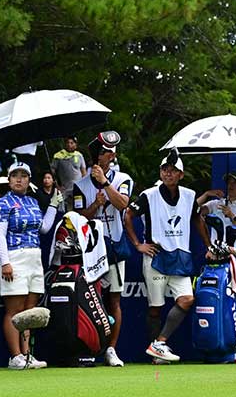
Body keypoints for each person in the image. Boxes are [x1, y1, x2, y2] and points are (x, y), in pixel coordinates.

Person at [124, 153, 209, 364]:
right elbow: (128, 215)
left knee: (187, 299)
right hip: (156, 257)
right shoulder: (149, 195)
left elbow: (197, 219)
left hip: (180, 257)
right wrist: (137, 245)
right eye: (164, 170)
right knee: (155, 307)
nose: (167, 173)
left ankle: (159, 343)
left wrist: (209, 246)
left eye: (172, 170)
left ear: (180, 174)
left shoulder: (189, 195)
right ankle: (157, 353)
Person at [71, 134, 134, 367]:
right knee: (91, 300)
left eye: (112, 152)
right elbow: (78, 218)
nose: (111, 155)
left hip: (115, 247)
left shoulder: (123, 179)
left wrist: (106, 184)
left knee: (114, 300)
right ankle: (92, 347)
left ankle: (111, 349)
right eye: (106, 152)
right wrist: (95, 205)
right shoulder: (80, 185)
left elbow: (123, 204)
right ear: (97, 156)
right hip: (90, 252)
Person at [0, 162, 62, 370]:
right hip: (14, 256)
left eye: (23, 176)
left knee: (29, 310)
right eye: (15, 175)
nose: (19, 179)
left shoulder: (32, 202)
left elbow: (44, 228)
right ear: (9, 179)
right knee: (14, 311)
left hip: (34, 257)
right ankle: (15, 357)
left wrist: (53, 205)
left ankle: (27, 354)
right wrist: (5, 262)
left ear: (29, 180)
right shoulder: (2, 203)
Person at [197, 170, 236, 312]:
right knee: (215, 293)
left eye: (235, 183)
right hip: (216, 254)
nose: (231, 185)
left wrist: (232, 216)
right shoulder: (216, 204)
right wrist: (206, 194)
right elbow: (192, 212)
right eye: (229, 182)